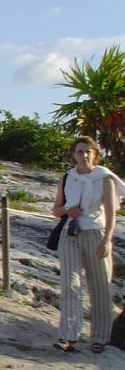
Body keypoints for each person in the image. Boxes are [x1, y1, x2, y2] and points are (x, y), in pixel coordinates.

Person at [51, 136, 124, 353]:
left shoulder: (105, 178)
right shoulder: (67, 177)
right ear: (74, 155)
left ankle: (100, 337)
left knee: (100, 285)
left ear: (95, 154)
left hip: (95, 232)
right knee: (70, 284)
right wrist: (68, 210)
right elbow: (56, 209)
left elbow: (111, 212)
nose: (84, 155)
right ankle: (68, 336)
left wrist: (106, 241)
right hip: (70, 233)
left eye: (88, 151)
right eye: (80, 152)